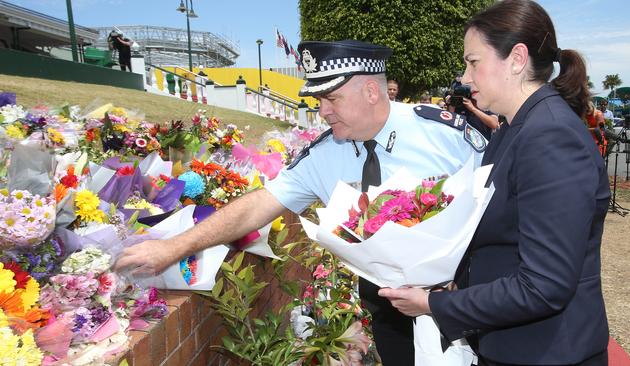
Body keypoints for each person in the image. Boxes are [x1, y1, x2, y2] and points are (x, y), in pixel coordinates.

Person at [114, 39, 485, 365]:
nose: (322, 110)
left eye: (331, 97)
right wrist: (173, 247)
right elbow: (260, 205)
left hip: (468, 298)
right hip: (389, 307)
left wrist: (465, 284)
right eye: (319, 99)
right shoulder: (325, 153)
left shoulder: (444, 132)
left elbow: (501, 201)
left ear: (371, 91)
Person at [378, 1, 610, 365]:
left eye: (473, 62)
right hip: (513, 345)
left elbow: (544, 285)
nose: (465, 78)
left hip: (546, 352)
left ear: (516, 59)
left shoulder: (549, 136)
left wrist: (435, 304)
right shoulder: (514, 130)